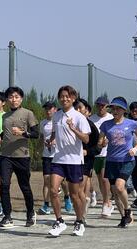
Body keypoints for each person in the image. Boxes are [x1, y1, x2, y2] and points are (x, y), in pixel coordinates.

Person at [48, 85, 91, 237]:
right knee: (53, 190)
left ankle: (79, 221)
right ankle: (59, 221)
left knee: (75, 195)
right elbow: (54, 132)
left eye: (67, 96)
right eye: (62, 96)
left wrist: (73, 129)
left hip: (74, 161)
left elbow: (86, 138)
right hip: (59, 158)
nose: (64, 98)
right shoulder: (57, 115)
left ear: (73, 98)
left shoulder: (79, 117)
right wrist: (51, 141)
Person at [0, 86, 39, 227]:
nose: (13, 100)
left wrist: (23, 133)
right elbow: (6, 132)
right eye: (10, 97)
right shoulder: (5, 116)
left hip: (22, 156)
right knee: (4, 185)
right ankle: (7, 216)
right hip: (5, 155)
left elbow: (35, 134)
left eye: (16, 97)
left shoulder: (28, 114)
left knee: (24, 186)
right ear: (7, 100)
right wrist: (0, 136)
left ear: (21, 98)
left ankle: (30, 213)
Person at [99, 96, 137, 228]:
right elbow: (99, 143)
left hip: (127, 160)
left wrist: (135, 148)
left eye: (118, 108)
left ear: (124, 110)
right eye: (113, 108)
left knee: (119, 186)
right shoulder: (106, 125)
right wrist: (102, 143)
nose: (115, 111)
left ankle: (128, 209)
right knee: (115, 192)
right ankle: (124, 217)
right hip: (112, 161)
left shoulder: (131, 124)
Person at [74, 98, 101, 223]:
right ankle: (84, 203)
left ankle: (81, 217)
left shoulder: (91, 127)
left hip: (86, 161)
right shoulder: (70, 123)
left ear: (87, 111)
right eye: (76, 108)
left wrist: (87, 152)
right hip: (71, 160)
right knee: (74, 190)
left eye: (80, 108)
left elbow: (98, 148)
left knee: (79, 188)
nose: (78, 110)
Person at [89, 96, 114, 216]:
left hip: (107, 154)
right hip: (95, 154)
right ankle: (106, 200)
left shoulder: (111, 119)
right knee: (99, 179)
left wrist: (108, 141)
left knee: (104, 179)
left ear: (107, 107)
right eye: (98, 105)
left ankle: (106, 203)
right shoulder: (91, 119)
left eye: (103, 105)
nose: (100, 107)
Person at [38, 101, 57, 215]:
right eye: (46, 109)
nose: (48, 111)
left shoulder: (58, 122)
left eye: (50, 108)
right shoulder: (43, 123)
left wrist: (54, 141)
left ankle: (66, 196)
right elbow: (41, 137)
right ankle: (46, 205)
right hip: (46, 155)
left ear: (55, 109)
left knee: (61, 182)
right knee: (46, 180)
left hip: (58, 155)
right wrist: (38, 148)